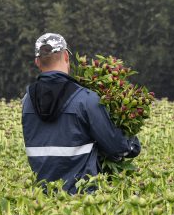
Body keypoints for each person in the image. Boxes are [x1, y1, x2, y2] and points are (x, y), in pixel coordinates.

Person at [21, 33, 141, 195]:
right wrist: (131, 143)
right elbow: (116, 148)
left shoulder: (26, 101)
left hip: (43, 198)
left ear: (37, 62)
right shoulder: (86, 99)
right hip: (82, 198)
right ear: (65, 56)